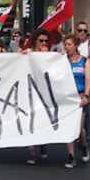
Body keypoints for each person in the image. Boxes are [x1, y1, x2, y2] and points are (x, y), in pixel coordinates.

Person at [63, 34, 90, 168]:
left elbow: (88, 80)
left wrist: (86, 95)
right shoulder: (63, 60)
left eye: (69, 44)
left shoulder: (84, 61)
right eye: (65, 44)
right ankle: (71, 156)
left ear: (76, 46)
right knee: (68, 127)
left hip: (80, 95)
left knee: (79, 128)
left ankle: (84, 144)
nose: (66, 47)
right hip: (67, 97)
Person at [23, 29, 52, 164]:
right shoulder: (28, 53)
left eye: (46, 41)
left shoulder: (48, 53)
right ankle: (31, 152)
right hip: (29, 90)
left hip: (44, 91)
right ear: (35, 40)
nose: (44, 43)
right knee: (30, 120)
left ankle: (43, 142)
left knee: (43, 119)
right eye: (41, 40)